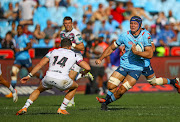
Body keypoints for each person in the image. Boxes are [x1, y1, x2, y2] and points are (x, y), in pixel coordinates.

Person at [16, 38, 91, 115]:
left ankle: (24, 107)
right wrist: (84, 72)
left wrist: (29, 75)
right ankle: (62, 108)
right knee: (75, 86)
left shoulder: (53, 51)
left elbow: (40, 64)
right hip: (62, 80)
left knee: (38, 89)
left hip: (48, 77)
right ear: (70, 46)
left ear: (60, 45)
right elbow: (88, 67)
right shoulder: (74, 54)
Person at [95, 16, 154, 111]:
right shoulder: (124, 35)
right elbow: (111, 48)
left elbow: (150, 53)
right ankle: (105, 101)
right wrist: (101, 58)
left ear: (140, 25)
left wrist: (138, 53)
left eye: (135, 24)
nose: (133, 25)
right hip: (124, 65)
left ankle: (105, 103)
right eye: (131, 23)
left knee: (121, 90)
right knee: (110, 86)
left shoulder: (145, 35)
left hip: (137, 68)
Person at [60, 16, 93, 106]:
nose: (67, 25)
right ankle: (81, 75)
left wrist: (72, 45)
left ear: (72, 23)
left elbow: (82, 47)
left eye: (69, 23)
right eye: (65, 23)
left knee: (70, 80)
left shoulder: (76, 33)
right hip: (67, 58)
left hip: (75, 58)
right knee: (67, 80)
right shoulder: (62, 33)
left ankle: (70, 102)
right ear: (63, 24)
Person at [5, 25, 42, 98]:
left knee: (32, 73)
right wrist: (15, 53)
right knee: (13, 71)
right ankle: (13, 91)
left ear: (22, 30)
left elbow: (29, 46)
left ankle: (41, 77)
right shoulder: (15, 37)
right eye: (18, 29)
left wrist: (20, 49)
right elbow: (16, 46)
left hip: (25, 58)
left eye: (20, 29)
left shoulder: (25, 37)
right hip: (18, 59)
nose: (19, 30)